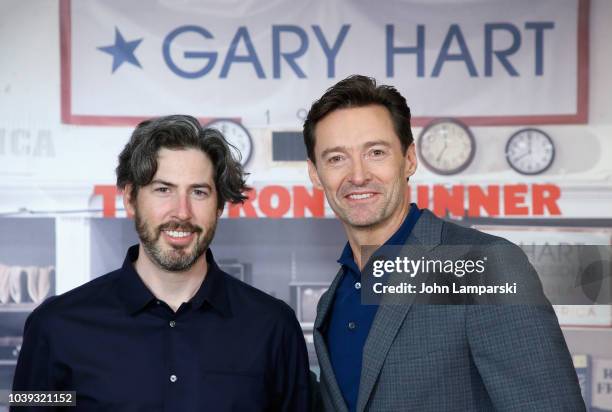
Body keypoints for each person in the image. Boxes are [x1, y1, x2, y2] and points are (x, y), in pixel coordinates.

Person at [303, 75, 585, 411]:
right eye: (336, 158)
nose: (358, 175)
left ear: (409, 159)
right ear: (315, 174)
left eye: (376, 152)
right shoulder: (337, 295)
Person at [13, 115, 311, 411]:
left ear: (219, 205)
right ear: (131, 198)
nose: (181, 212)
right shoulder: (54, 327)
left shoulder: (272, 328)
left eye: (198, 192)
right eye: (163, 189)